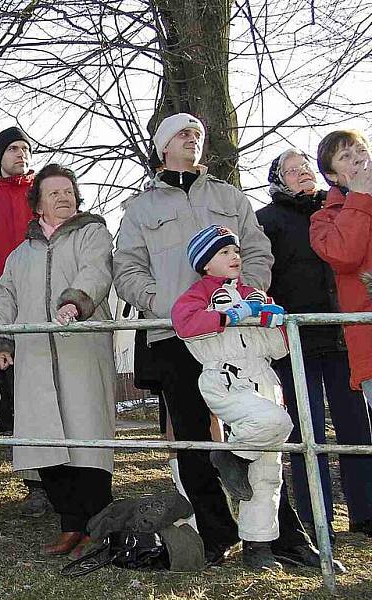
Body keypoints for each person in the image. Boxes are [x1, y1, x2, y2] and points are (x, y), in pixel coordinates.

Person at [113, 112, 324, 568]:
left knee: (263, 428)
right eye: (182, 134)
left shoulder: (231, 197)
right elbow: (126, 268)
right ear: (163, 145)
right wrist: (164, 304)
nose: (192, 140)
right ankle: (214, 535)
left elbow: (258, 250)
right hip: (175, 335)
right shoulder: (140, 208)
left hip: (238, 338)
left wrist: (244, 297)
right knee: (191, 438)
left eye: (198, 134)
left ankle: (282, 536)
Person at [0, 163, 116, 559]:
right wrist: (3, 341)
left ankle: (97, 527)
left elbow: (97, 271)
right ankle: (70, 525)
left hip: (81, 350)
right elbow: (5, 298)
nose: (64, 197)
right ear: (38, 204)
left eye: (68, 191)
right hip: (36, 356)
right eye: (54, 193)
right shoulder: (19, 254)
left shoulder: (92, 233)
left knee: (87, 438)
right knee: (45, 440)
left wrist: (74, 302)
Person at [257, 148, 372, 542]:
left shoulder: (339, 210)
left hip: (342, 336)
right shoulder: (267, 221)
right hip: (296, 341)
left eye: (306, 168)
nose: (302, 174)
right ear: (278, 180)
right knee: (307, 433)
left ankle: (366, 512)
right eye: (292, 170)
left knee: (357, 427)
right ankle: (314, 515)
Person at [172, 225, 294, 569]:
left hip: (262, 376)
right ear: (205, 263)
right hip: (224, 377)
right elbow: (186, 325)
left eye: (236, 251)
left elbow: (280, 347)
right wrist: (229, 316)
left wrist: (273, 321)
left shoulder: (254, 294)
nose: (235, 257)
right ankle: (232, 456)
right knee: (275, 422)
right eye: (225, 253)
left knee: (269, 470)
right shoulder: (195, 296)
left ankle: (258, 546)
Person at [0, 127, 52, 517]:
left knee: (49, 392)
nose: (21, 154)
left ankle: (58, 474)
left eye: (25, 148)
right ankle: (34, 480)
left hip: (46, 308)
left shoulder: (45, 195)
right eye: (13, 149)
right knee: (15, 396)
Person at [310, 131, 372, 417]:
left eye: (360, 150)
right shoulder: (324, 219)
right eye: (345, 156)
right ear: (332, 176)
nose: (358, 158)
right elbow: (344, 256)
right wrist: (359, 198)